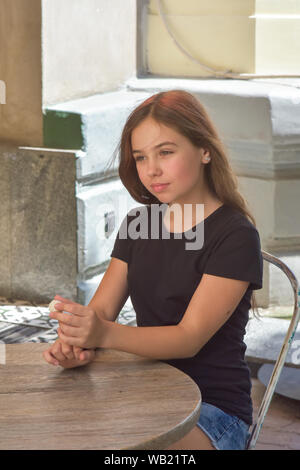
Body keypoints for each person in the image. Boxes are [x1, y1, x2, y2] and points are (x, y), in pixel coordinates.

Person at [43, 90, 263, 450]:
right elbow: (101, 312)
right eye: (141, 157)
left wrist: (102, 334)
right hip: (147, 391)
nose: (151, 170)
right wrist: (75, 340)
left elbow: (187, 338)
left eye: (166, 152)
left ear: (204, 150)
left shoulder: (235, 235)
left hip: (213, 413)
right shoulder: (137, 224)